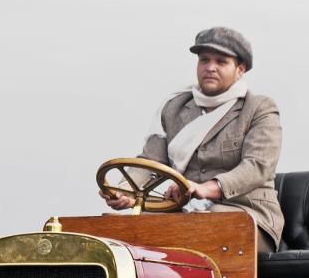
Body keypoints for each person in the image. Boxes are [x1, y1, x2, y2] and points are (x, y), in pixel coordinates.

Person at [100, 27, 284, 253]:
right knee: (134, 231)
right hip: (187, 214)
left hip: (247, 215)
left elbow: (258, 166)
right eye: (204, 60)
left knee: (208, 223)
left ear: (240, 69)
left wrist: (207, 188)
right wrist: (125, 191)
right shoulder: (174, 108)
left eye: (221, 61)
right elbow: (150, 162)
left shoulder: (258, 108)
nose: (210, 67)